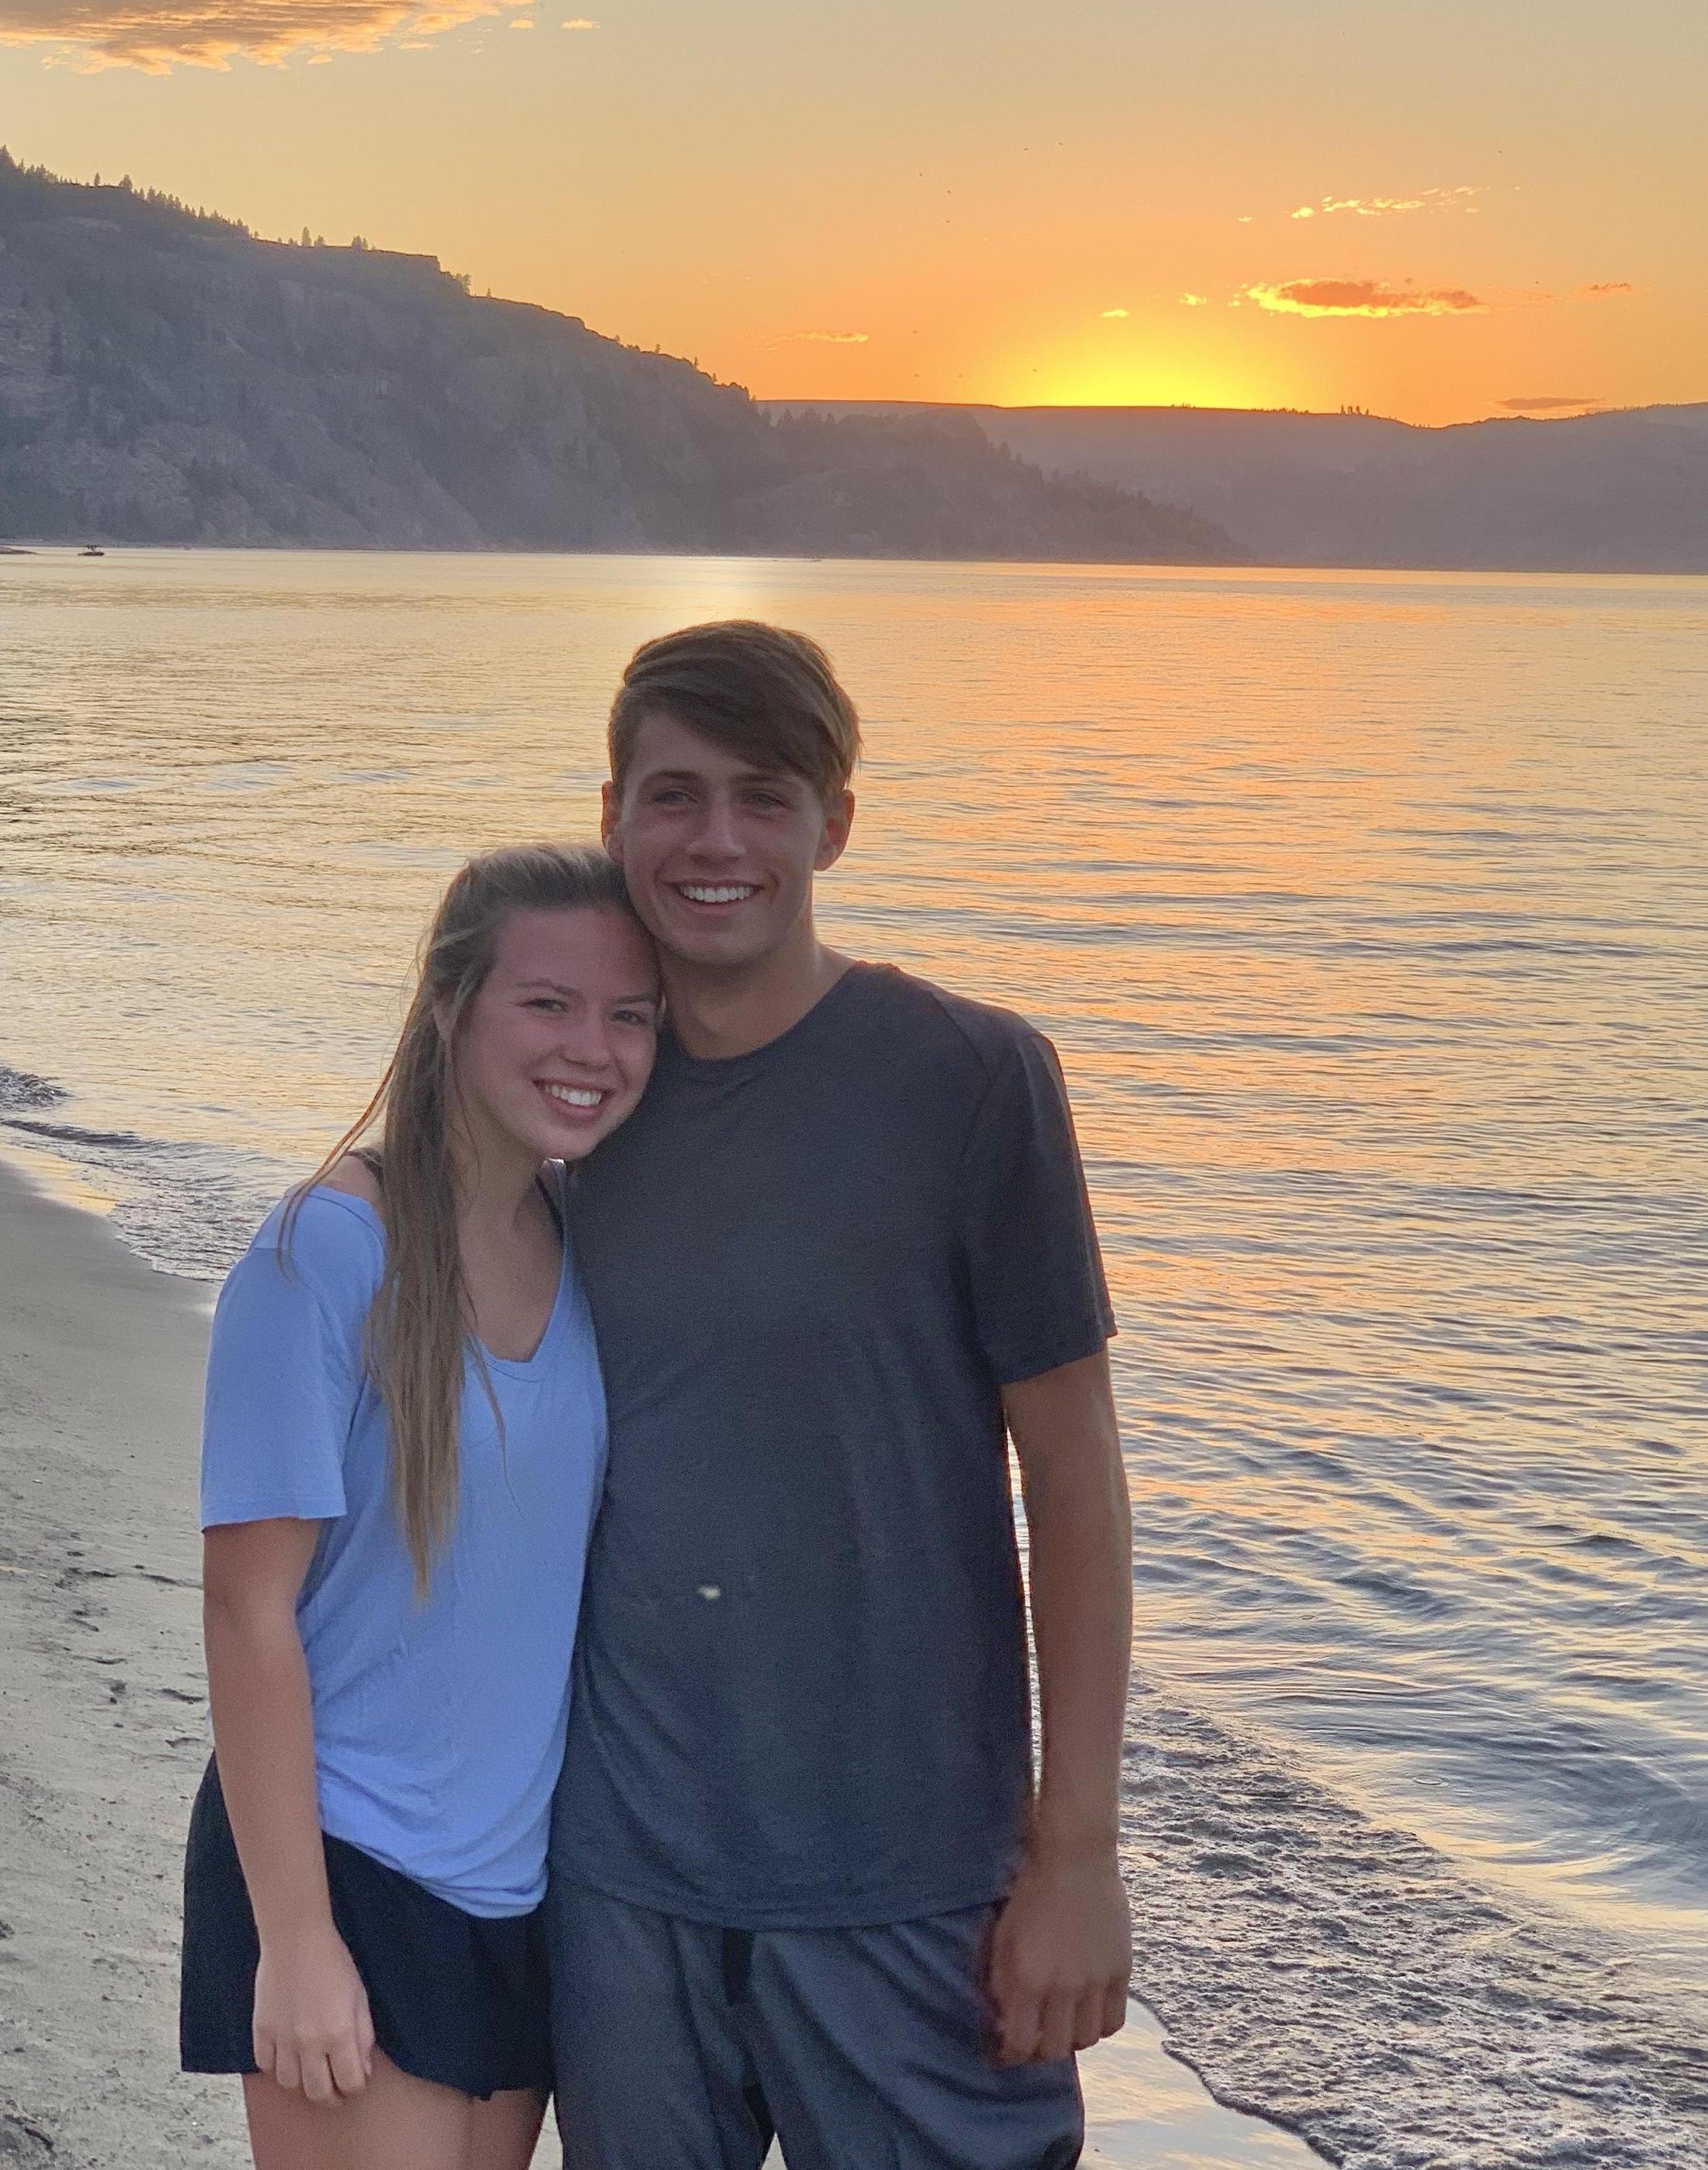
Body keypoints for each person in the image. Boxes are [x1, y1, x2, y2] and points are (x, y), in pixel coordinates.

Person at [552, 623, 1134, 2169]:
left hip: (910, 1883)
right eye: (673, 796)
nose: (717, 840)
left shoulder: (970, 1079)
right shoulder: (563, 1092)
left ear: (837, 823)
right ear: (611, 818)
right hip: (623, 1879)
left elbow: (1074, 1481)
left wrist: (1075, 1855)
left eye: (766, 794)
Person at [180, 844, 661, 2170]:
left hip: (517, 1889)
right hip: (345, 1861)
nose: (594, 1046)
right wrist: (296, 1940)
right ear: (452, 1006)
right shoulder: (324, 1253)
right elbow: (244, 1606)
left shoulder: (582, 1243)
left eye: (630, 1013)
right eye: (548, 1004)